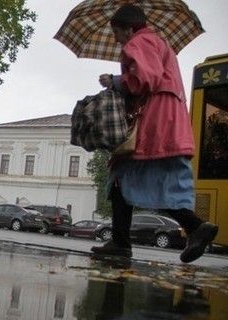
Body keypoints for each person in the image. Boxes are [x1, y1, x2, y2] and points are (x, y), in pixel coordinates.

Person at [90, 4, 218, 263]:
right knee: (152, 180)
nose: (115, 38)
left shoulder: (138, 42)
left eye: (116, 31)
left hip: (153, 120)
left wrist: (116, 81)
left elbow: (145, 79)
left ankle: (122, 243)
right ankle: (194, 227)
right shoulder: (159, 43)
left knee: (121, 176)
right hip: (169, 117)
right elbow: (154, 74)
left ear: (129, 27)